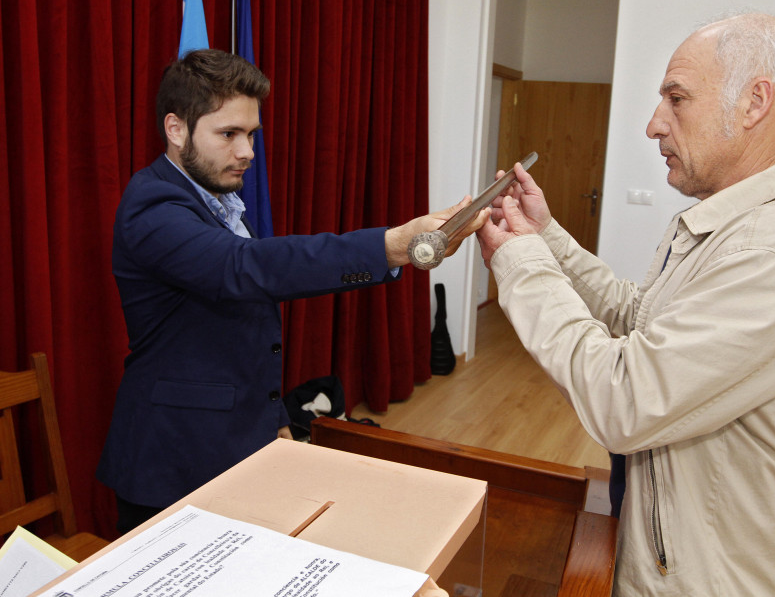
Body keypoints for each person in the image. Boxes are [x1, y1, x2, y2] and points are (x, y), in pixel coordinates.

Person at [476, 12, 775, 597]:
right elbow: (644, 321)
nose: (653, 125)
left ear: (754, 102)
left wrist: (521, 264)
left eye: (676, 98)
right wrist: (550, 239)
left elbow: (625, 399)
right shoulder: (739, 220)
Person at [97, 49, 488, 534]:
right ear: (176, 130)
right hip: (172, 459)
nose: (248, 152)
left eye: (251, 135)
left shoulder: (213, 198)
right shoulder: (152, 204)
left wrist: (273, 417)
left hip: (235, 442)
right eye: (229, 134)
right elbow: (243, 269)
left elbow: (239, 329)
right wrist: (388, 247)